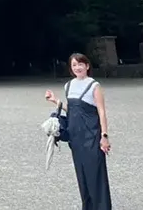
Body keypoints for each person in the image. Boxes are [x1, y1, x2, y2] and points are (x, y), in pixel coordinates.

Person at [45, 53, 112, 210]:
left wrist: (104, 136)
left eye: (80, 64)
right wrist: (55, 100)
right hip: (76, 137)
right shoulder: (68, 86)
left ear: (87, 66)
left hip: (92, 136)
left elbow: (101, 112)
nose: (77, 67)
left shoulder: (94, 86)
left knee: (95, 175)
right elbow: (73, 110)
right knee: (82, 176)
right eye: (74, 65)